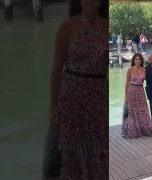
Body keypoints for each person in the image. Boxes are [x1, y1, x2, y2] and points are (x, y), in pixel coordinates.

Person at [44, 0, 109, 179]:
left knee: (100, 149)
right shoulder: (66, 27)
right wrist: (53, 106)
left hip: (99, 98)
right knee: (72, 150)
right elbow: (56, 70)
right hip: (71, 97)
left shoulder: (108, 26)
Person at [122, 53, 152, 138]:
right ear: (133, 60)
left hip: (140, 91)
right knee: (132, 112)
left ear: (141, 61)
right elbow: (127, 83)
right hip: (132, 91)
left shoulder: (144, 69)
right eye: (136, 59)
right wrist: (125, 95)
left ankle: (144, 129)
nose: (137, 61)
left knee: (142, 110)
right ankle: (133, 130)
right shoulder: (130, 70)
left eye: (139, 59)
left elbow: (150, 81)